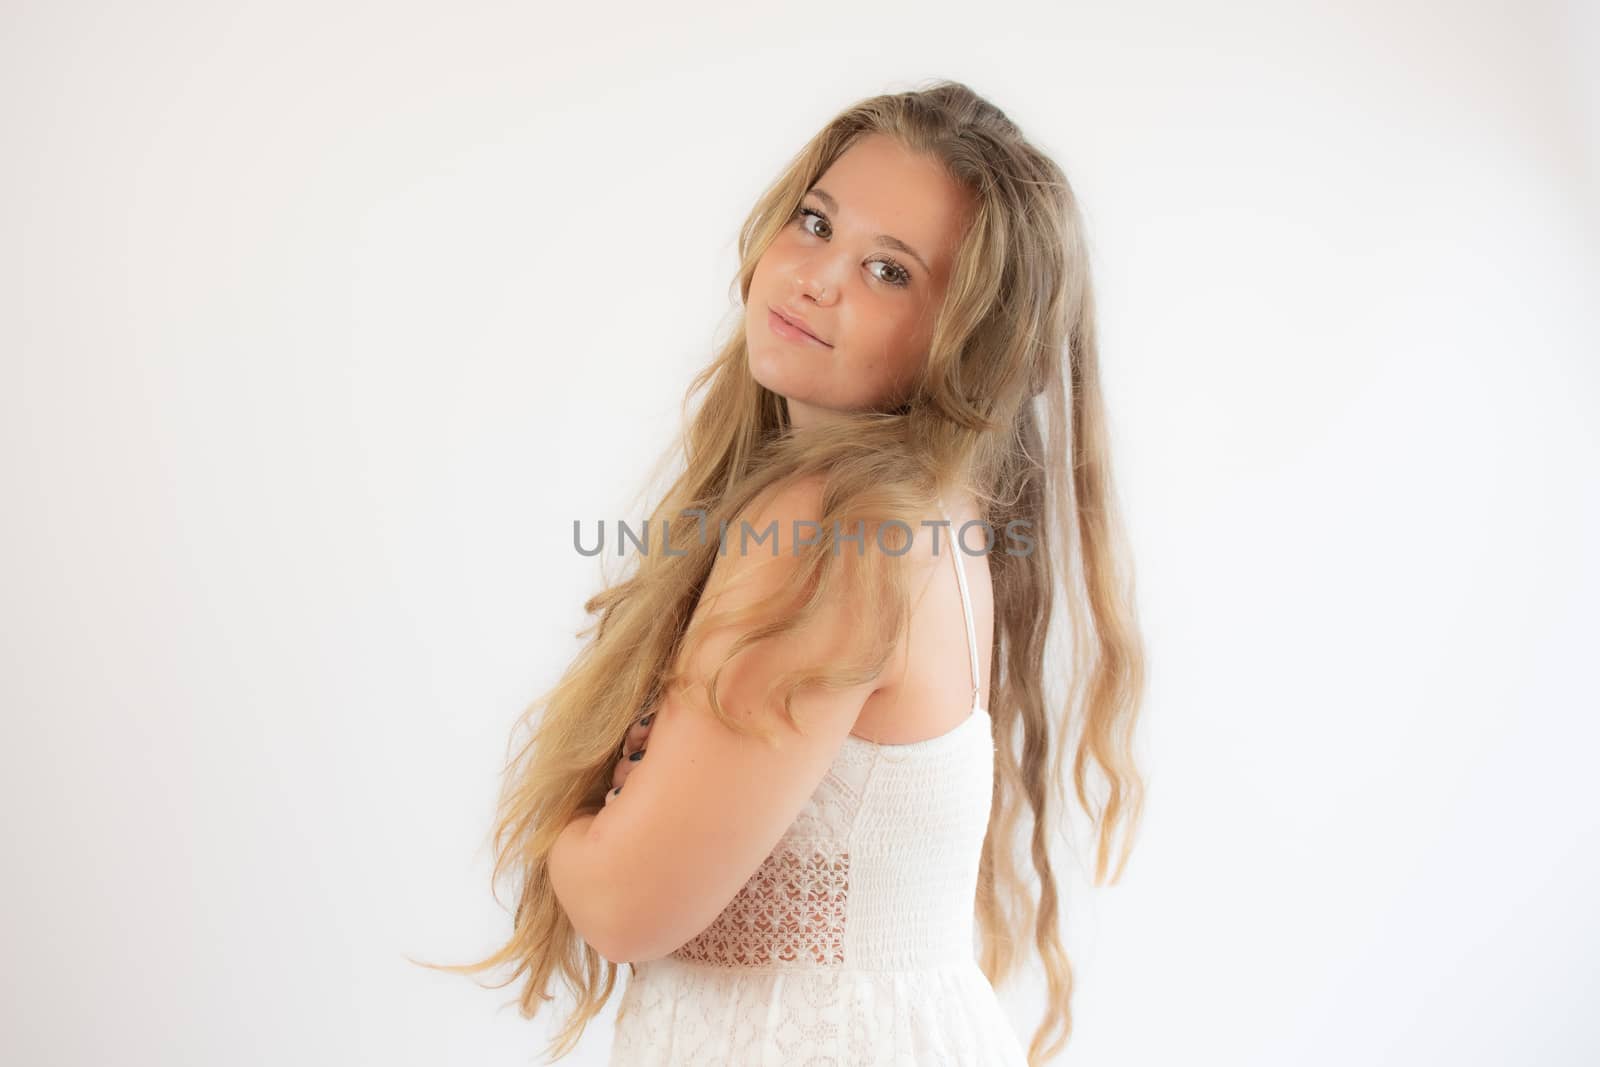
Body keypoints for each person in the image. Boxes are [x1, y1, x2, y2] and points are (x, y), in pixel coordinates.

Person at [422, 79, 1146, 1066]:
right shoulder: (923, 515)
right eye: (815, 222)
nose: (815, 277)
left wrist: (578, 807)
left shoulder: (832, 530)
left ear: (966, 343)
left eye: (889, 271)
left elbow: (625, 905)